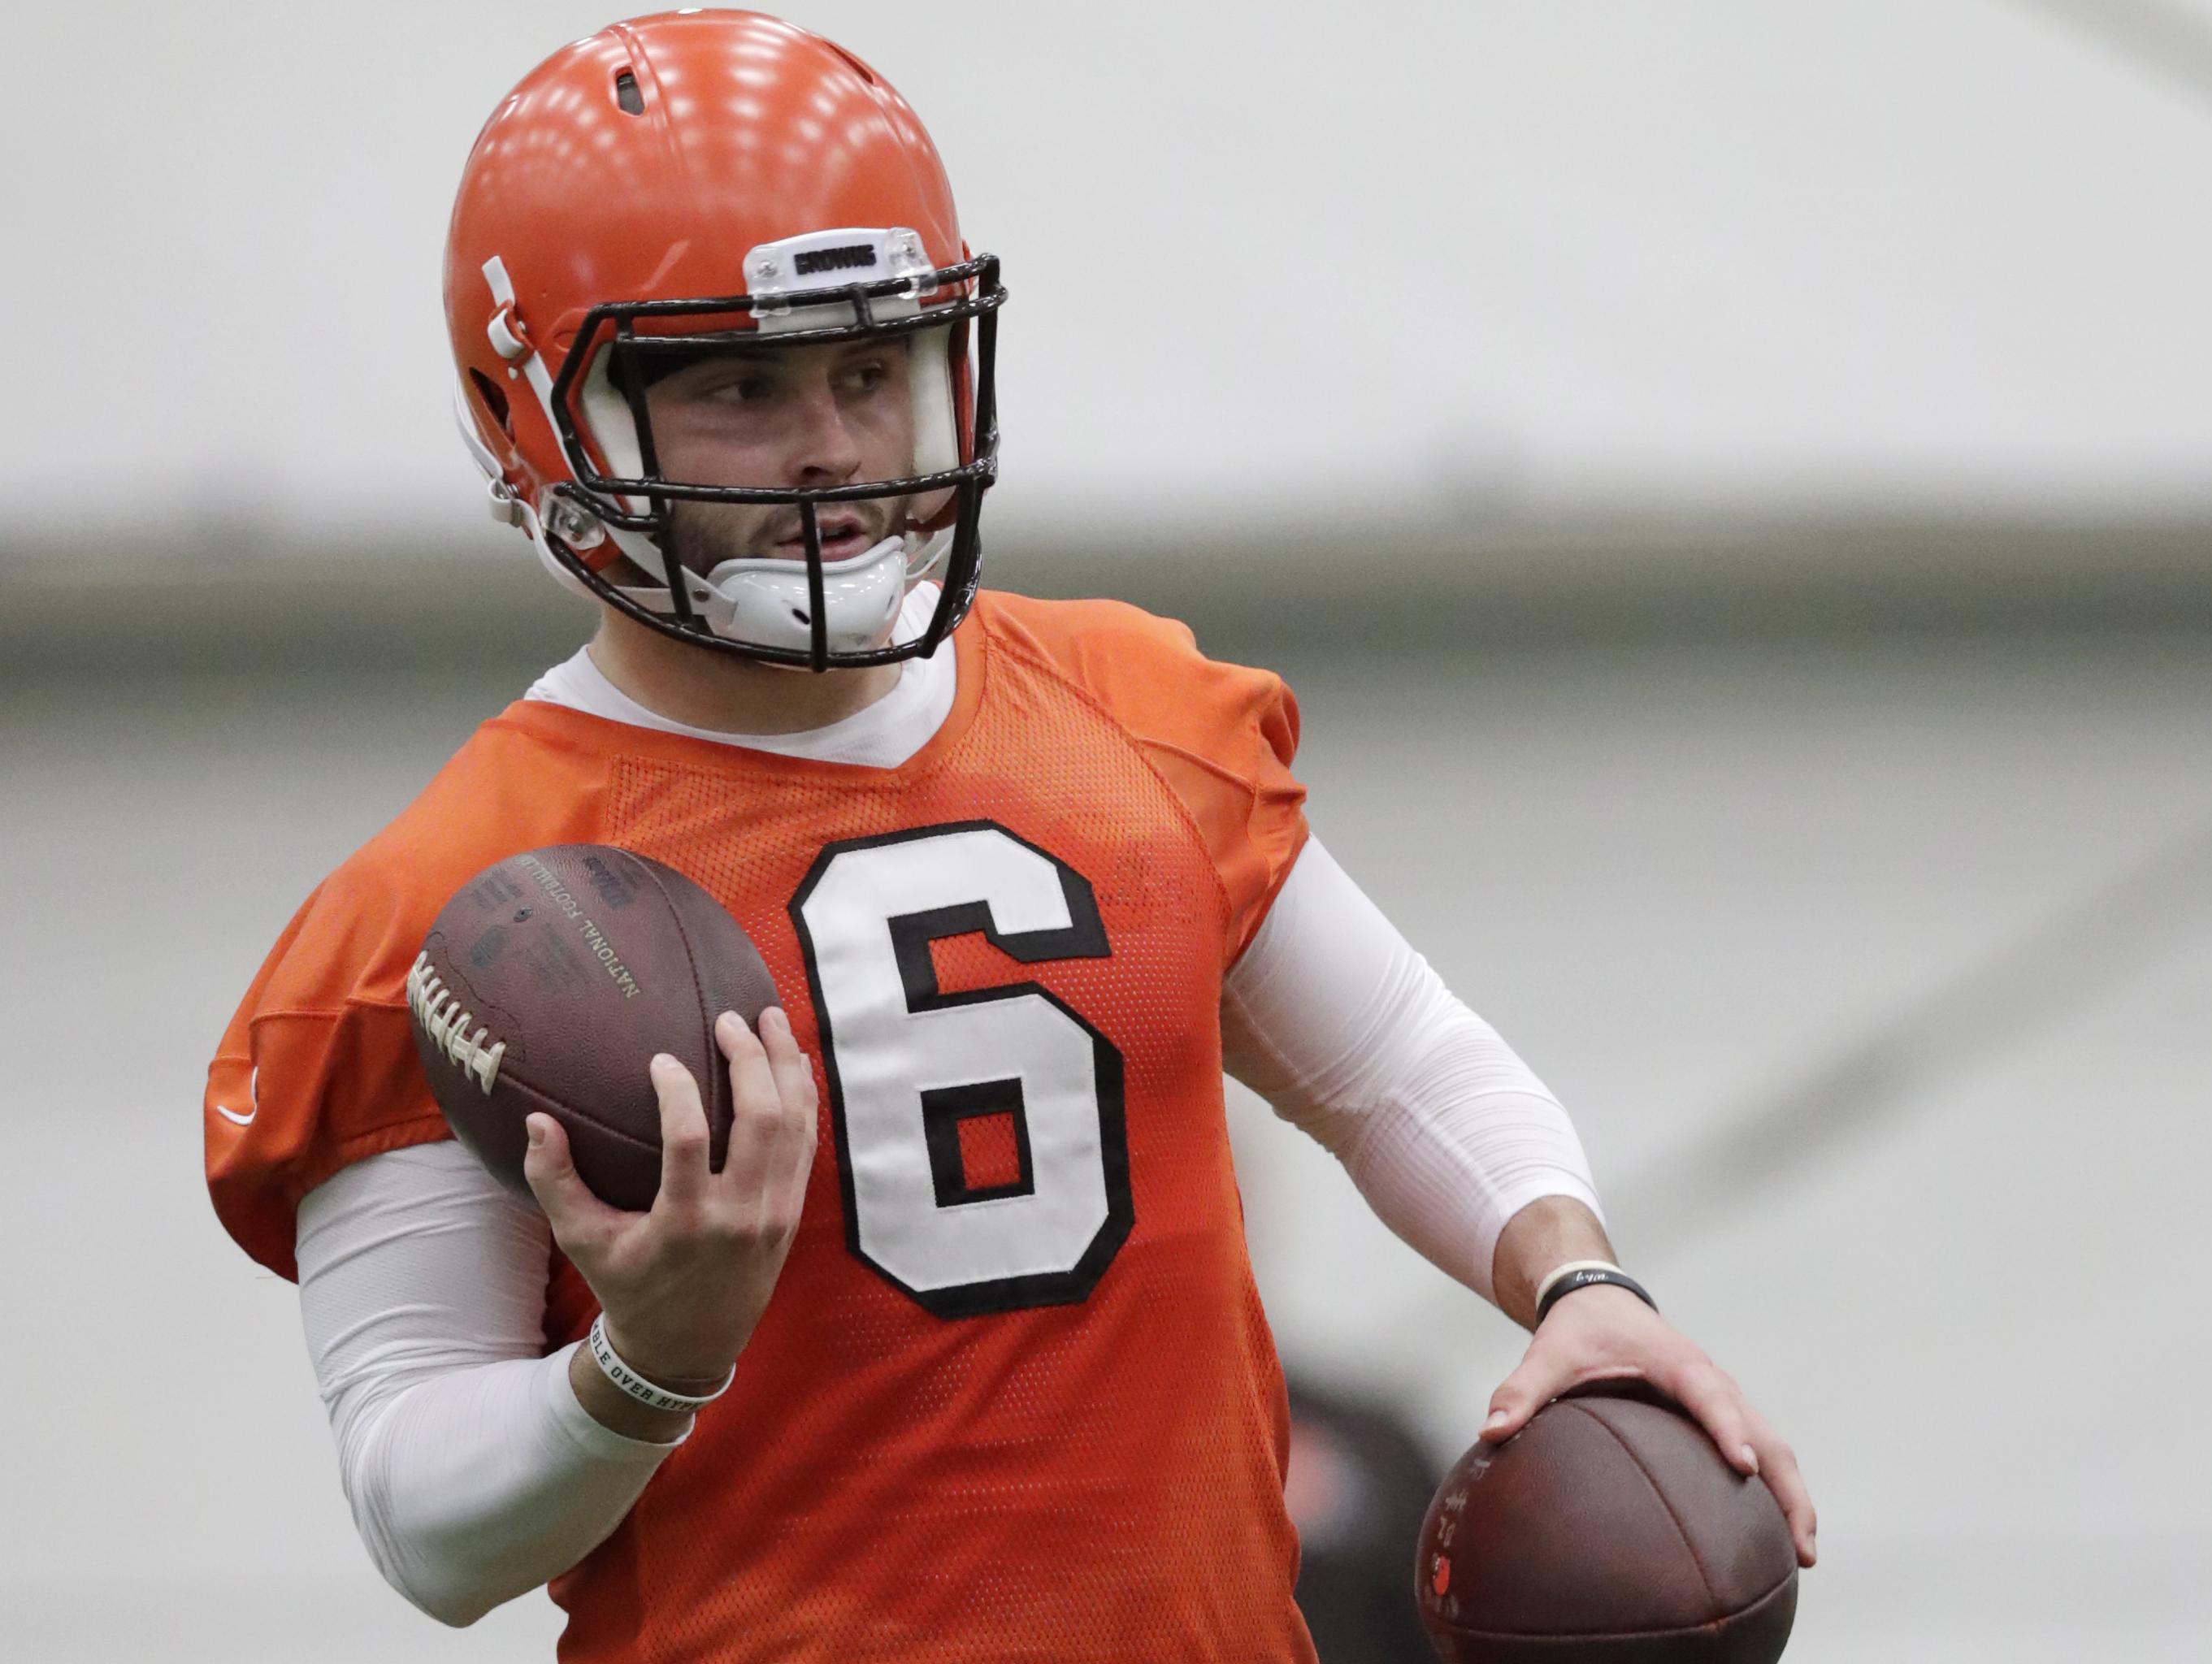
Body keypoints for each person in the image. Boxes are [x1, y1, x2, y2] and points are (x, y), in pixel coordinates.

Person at [201, 12, 1815, 1660]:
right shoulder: (458, 897)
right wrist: (647, 1361)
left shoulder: (1130, 708)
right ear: (545, 416)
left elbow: (1401, 1063)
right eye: (741, 384)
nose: (829, 440)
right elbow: (422, 1520)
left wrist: (1583, 1289)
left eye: (866, 367)